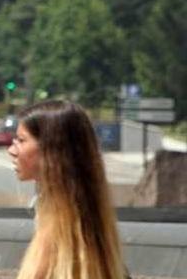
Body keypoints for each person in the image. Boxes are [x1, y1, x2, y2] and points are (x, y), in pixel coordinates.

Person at [7, 100, 127, 279]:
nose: (12, 150)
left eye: (21, 140)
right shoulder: (96, 232)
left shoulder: (54, 235)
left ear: (52, 151)